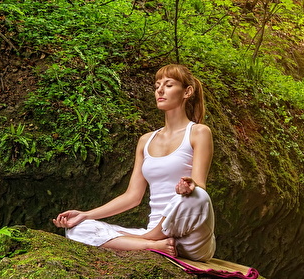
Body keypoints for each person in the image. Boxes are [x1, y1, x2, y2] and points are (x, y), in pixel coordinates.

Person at [52, 64, 216, 261]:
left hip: (190, 237)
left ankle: (146, 239)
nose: (160, 91)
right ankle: (151, 245)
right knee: (78, 230)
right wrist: (85, 215)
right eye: (157, 86)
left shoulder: (199, 132)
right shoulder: (145, 141)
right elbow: (132, 196)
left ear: (187, 92)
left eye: (169, 85)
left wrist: (189, 188)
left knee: (199, 195)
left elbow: (200, 185)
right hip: (158, 237)